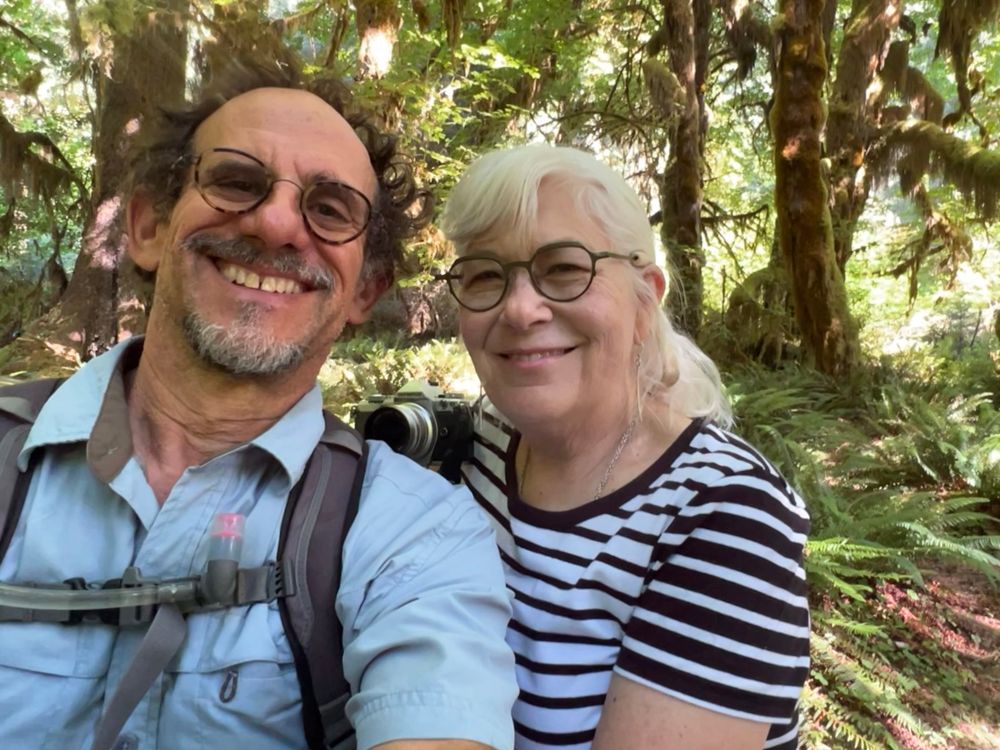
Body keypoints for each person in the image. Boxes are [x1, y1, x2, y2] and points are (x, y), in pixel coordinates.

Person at [0, 61, 517, 750]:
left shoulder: (413, 535)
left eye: (330, 210)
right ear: (150, 228)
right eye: (238, 181)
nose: (276, 223)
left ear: (366, 288)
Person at [438, 144, 810, 750]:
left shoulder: (727, 516)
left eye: (564, 268)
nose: (520, 308)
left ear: (645, 298)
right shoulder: (478, 449)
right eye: (484, 274)